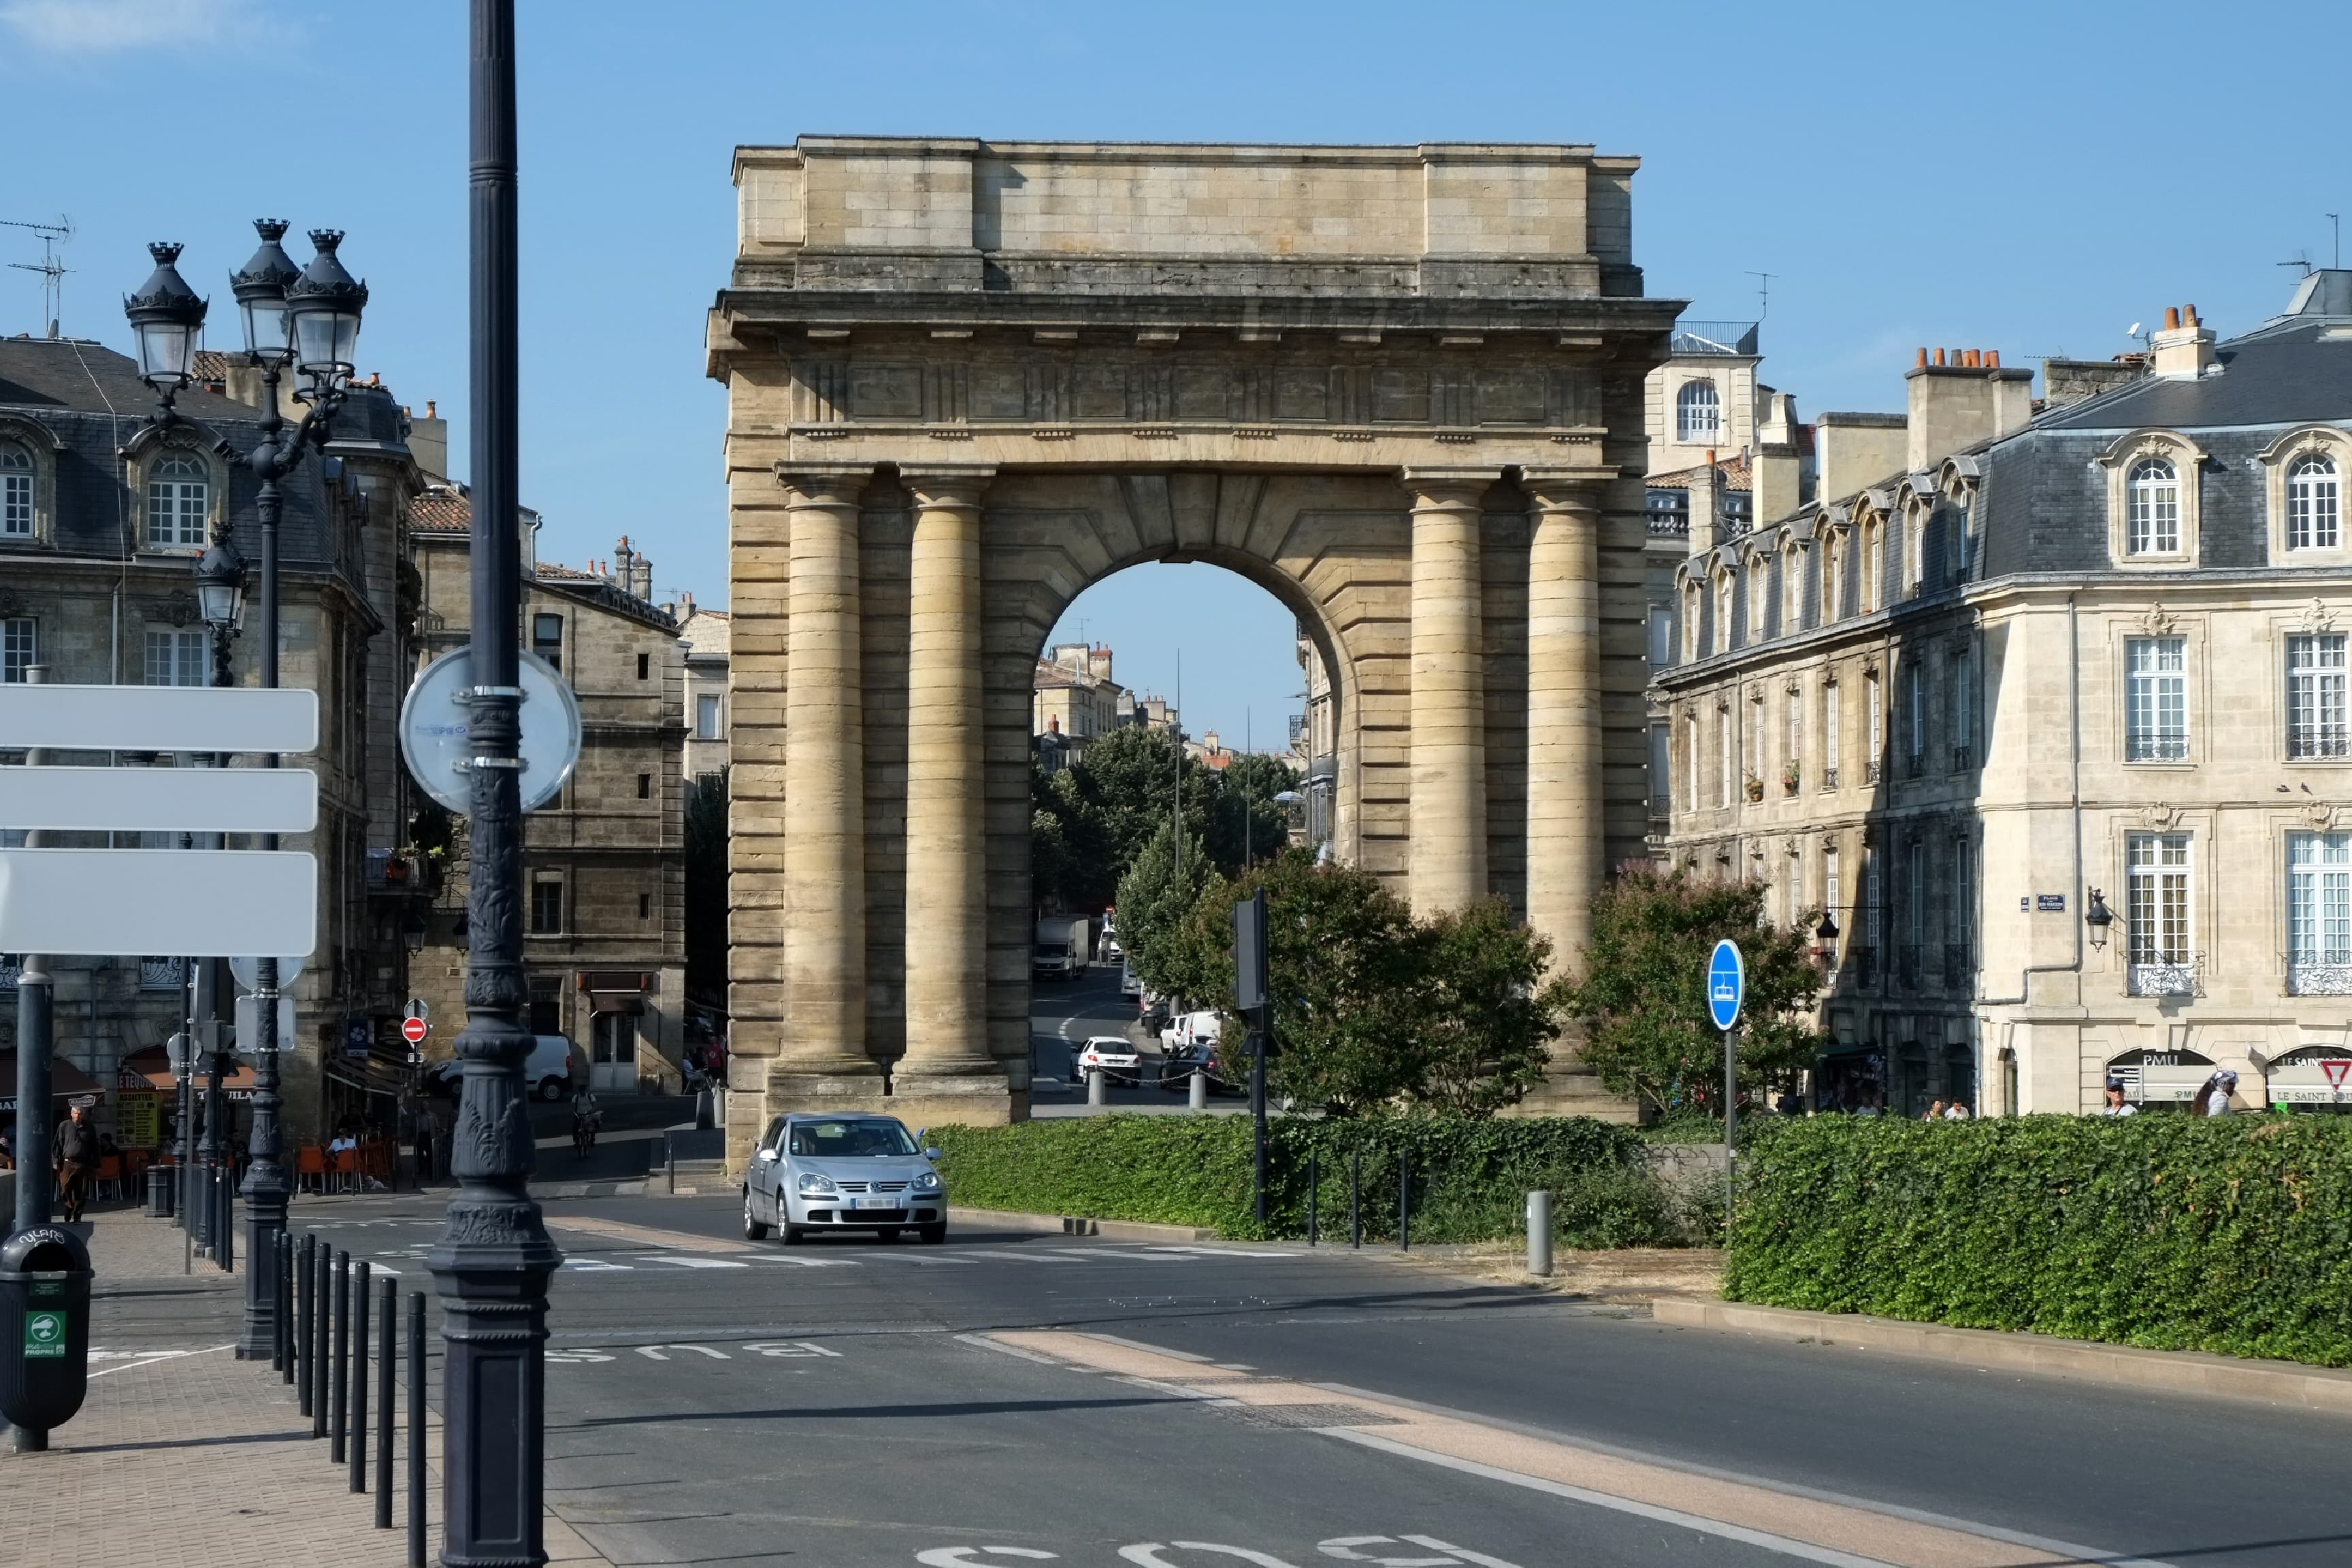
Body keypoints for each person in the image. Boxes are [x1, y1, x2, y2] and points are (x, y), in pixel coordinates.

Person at [54, 1100, 100, 1223]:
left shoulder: (89, 1127)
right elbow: (58, 1144)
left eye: (80, 1114)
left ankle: (77, 1216)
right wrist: (55, 1161)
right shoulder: (64, 1126)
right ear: (71, 1114)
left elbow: (95, 1146)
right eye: (76, 1114)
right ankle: (69, 1208)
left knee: (81, 1191)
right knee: (65, 1188)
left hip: (83, 1164)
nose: (78, 1116)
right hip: (67, 1163)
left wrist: (96, 1164)